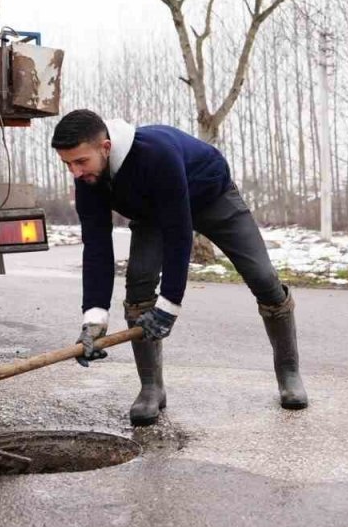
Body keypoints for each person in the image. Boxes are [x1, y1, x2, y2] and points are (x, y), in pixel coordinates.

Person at [51, 109, 306, 426]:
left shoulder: (155, 154)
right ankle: (151, 388)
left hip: (212, 196)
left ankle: (288, 370)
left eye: (80, 162)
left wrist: (169, 307)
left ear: (105, 147)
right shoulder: (88, 182)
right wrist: (94, 319)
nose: (75, 172)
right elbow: (97, 249)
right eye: (68, 164)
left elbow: (179, 233)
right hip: (152, 213)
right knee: (138, 285)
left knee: (263, 278)